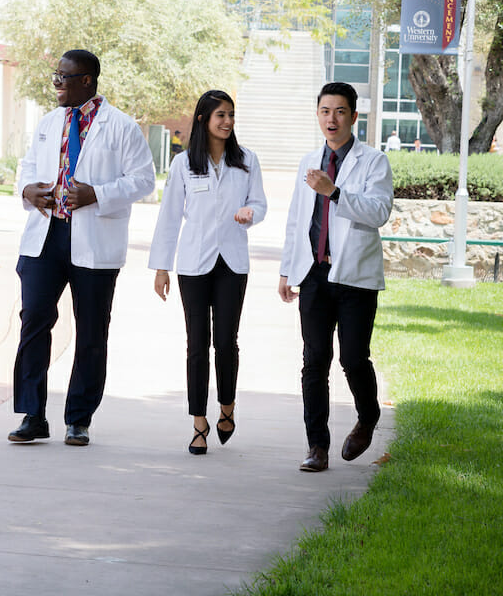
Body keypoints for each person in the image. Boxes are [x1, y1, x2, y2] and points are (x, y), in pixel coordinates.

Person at [10, 49, 155, 446]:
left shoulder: (121, 127)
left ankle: (79, 418)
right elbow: (27, 166)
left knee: (91, 329)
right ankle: (32, 415)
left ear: (87, 80)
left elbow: (144, 180)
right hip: (46, 235)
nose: (56, 83)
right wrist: (27, 190)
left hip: (94, 238)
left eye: (64, 77)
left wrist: (99, 195)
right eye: (55, 75)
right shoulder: (48, 122)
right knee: (34, 322)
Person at [278, 82, 392, 473]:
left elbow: (379, 213)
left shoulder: (374, 162)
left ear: (354, 117)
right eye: (326, 111)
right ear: (318, 115)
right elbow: (297, 220)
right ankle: (317, 447)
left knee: (353, 357)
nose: (332, 118)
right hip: (313, 273)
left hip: (355, 276)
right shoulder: (308, 161)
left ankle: (368, 416)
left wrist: (336, 192)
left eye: (340, 111)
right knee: (314, 361)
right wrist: (286, 269)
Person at [150, 90, 267, 455]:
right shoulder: (184, 164)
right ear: (203, 119)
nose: (228, 122)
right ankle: (199, 422)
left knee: (226, 342)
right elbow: (169, 216)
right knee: (196, 344)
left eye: (231, 114)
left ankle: (227, 407)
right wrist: (161, 267)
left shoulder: (247, 160)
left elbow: (259, 202)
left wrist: (250, 212)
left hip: (232, 263)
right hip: (194, 263)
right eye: (221, 115)